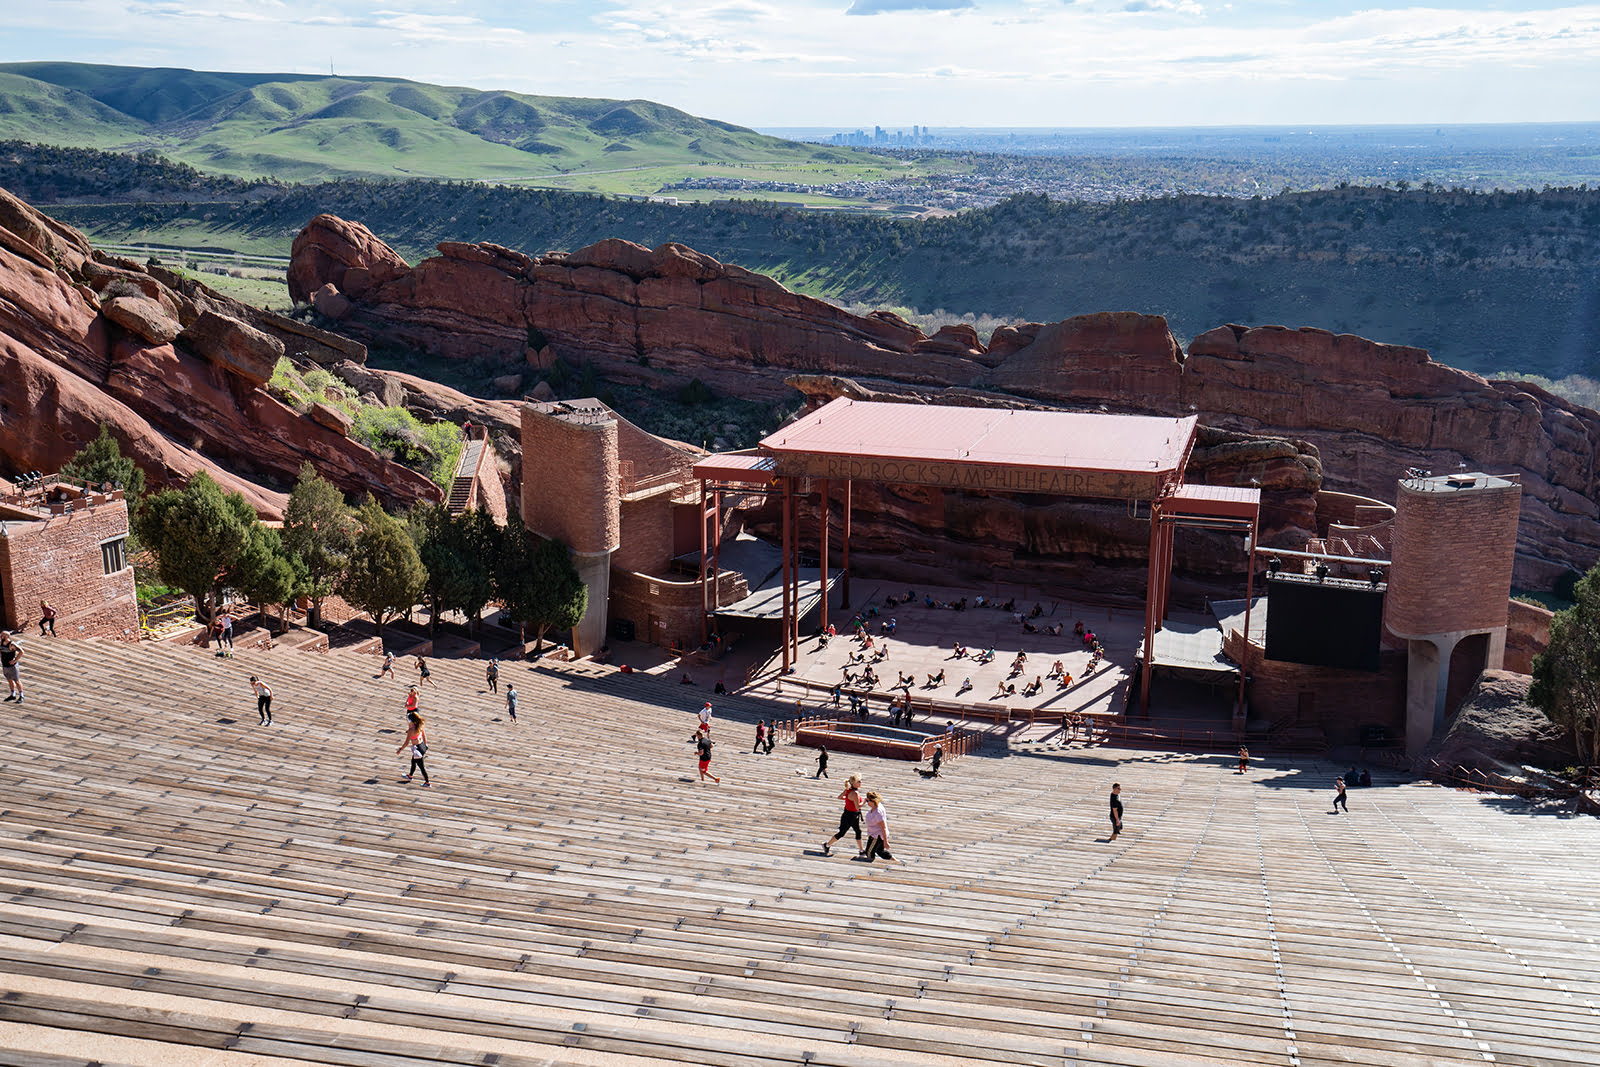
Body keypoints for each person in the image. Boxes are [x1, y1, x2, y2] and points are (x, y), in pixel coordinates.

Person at [822, 774, 862, 855]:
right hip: (852, 816)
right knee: (842, 833)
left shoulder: (848, 789)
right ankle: (827, 845)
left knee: (858, 831)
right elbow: (858, 806)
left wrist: (847, 799)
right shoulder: (855, 793)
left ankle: (861, 851)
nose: (861, 783)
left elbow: (839, 797)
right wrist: (865, 801)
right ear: (854, 783)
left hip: (848, 814)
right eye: (859, 781)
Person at [860, 791, 897, 863]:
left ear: (873, 801)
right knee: (880, 851)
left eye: (867, 801)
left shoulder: (878, 812)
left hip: (876, 836)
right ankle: (895, 861)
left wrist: (886, 842)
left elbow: (883, 827)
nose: (867, 802)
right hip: (875, 834)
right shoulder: (876, 807)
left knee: (869, 852)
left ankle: (872, 865)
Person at [397, 710, 430, 786]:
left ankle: (427, 782)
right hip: (422, 747)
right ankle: (410, 775)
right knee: (413, 762)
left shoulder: (411, 730)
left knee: (421, 767)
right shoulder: (419, 725)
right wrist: (425, 745)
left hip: (417, 749)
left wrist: (400, 749)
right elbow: (424, 736)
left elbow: (407, 742)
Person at [1, 632, 23, 703]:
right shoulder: (1, 643)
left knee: (16, 681)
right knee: (9, 680)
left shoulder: (11, 644)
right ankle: (13, 694)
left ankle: (21, 695)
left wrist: (15, 660)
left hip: (12, 666)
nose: (1, 636)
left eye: (2, 635)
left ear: (7, 636)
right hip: (5, 665)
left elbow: (21, 651)